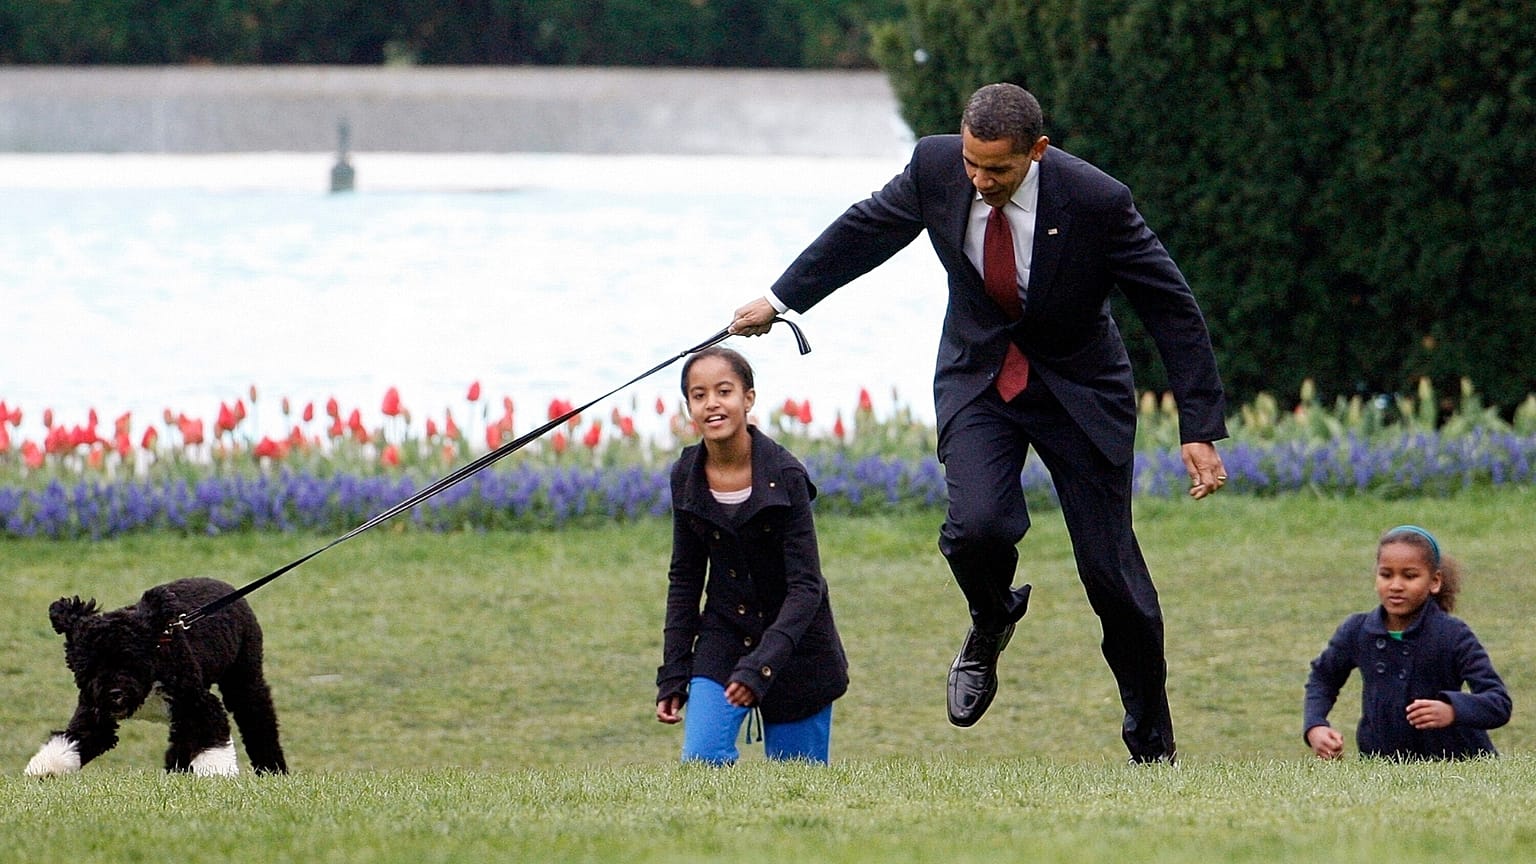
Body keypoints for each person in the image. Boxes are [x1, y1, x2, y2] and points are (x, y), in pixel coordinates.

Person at [729, 82, 1228, 763]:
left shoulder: (1095, 201)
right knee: (975, 531)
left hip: (1079, 390)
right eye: (972, 163)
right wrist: (783, 300)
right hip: (981, 378)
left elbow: (1172, 307)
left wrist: (1197, 426)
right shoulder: (936, 166)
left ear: (1038, 152)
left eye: (998, 169)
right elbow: (864, 232)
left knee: (1113, 581)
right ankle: (992, 619)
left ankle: (1150, 737)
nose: (980, 179)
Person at [655, 346, 849, 764]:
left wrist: (762, 664)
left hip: (797, 645)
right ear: (688, 406)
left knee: (797, 781)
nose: (712, 404)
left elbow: (806, 586)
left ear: (748, 398)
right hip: (724, 637)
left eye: (724, 391)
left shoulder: (786, 474)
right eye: (699, 395)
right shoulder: (685, 475)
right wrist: (674, 672)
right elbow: (685, 579)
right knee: (702, 760)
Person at [1303, 525, 1510, 761]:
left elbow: (1498, 703)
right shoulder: (1357, 631)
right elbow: (1323, 678)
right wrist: (1315, 726)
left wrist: (1453, 709)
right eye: (1386, 574)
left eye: (1410, 576)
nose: (1396, 586)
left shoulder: (1453, 635)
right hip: (1381, 766)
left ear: (1434, 581)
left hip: (1457, 764)